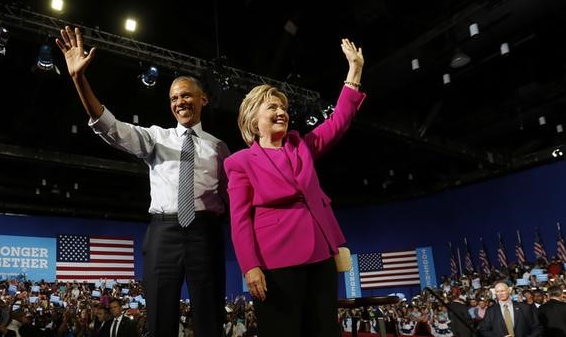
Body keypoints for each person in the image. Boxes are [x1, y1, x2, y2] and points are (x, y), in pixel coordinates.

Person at [56, 26, 228, 337]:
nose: (180, 102)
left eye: (186, 95)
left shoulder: (219, 147)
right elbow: (109, 127)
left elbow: (233, 197)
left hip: (206, 233)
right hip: (164, 234)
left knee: (210, 319)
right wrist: (78, 79)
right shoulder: (154, 138)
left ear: (203, 99)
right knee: (161, 318)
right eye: (174, 98)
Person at [224, 38, 366, 337]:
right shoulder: (240, 162)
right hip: (275, 262)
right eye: (272, 106)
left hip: (321, 255)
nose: (282, 112)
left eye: (284, 107)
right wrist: (250, 266)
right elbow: (239, 220)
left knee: (324, 330)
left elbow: (339, 121)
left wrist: (354, 72)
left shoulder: (301, 145)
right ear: (252, 118)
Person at [477, 281, 542, 337]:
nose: (500, 294)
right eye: (497, 291)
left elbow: (537, 328)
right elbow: (484, 330)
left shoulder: (524, 307)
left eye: (503, 291)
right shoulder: (491, 311)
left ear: (509, 290)